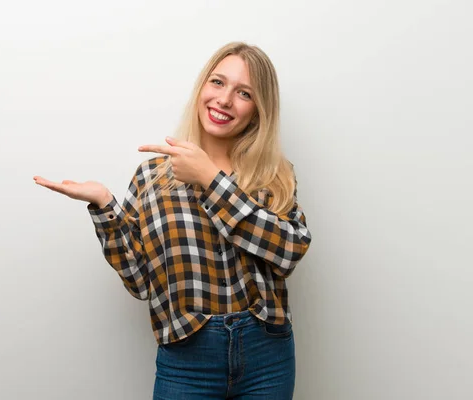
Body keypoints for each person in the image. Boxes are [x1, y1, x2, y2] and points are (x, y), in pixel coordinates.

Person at [33, 42, 312, 400]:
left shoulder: (273, 175)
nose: (224, 100)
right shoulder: (153, 177)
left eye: (244, 93)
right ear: (202, 88)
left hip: (267, 355)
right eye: (217, 83)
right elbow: (140, 283)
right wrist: (104, 206)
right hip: (187, 357)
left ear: (258, 111)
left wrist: (211, 180)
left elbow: (289, 252)